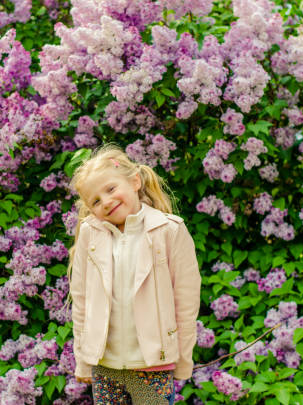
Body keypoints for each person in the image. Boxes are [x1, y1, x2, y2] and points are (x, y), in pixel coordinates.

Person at [67, 144, 201, 404]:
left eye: (111, 189)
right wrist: (84, 362)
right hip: (106, 368)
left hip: (152, 367)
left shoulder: (169, 231)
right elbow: (82, 302)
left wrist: (184, 361)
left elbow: (186, 303)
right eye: (95, 200)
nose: (106, 201)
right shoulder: (89, 234)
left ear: (135, 181)